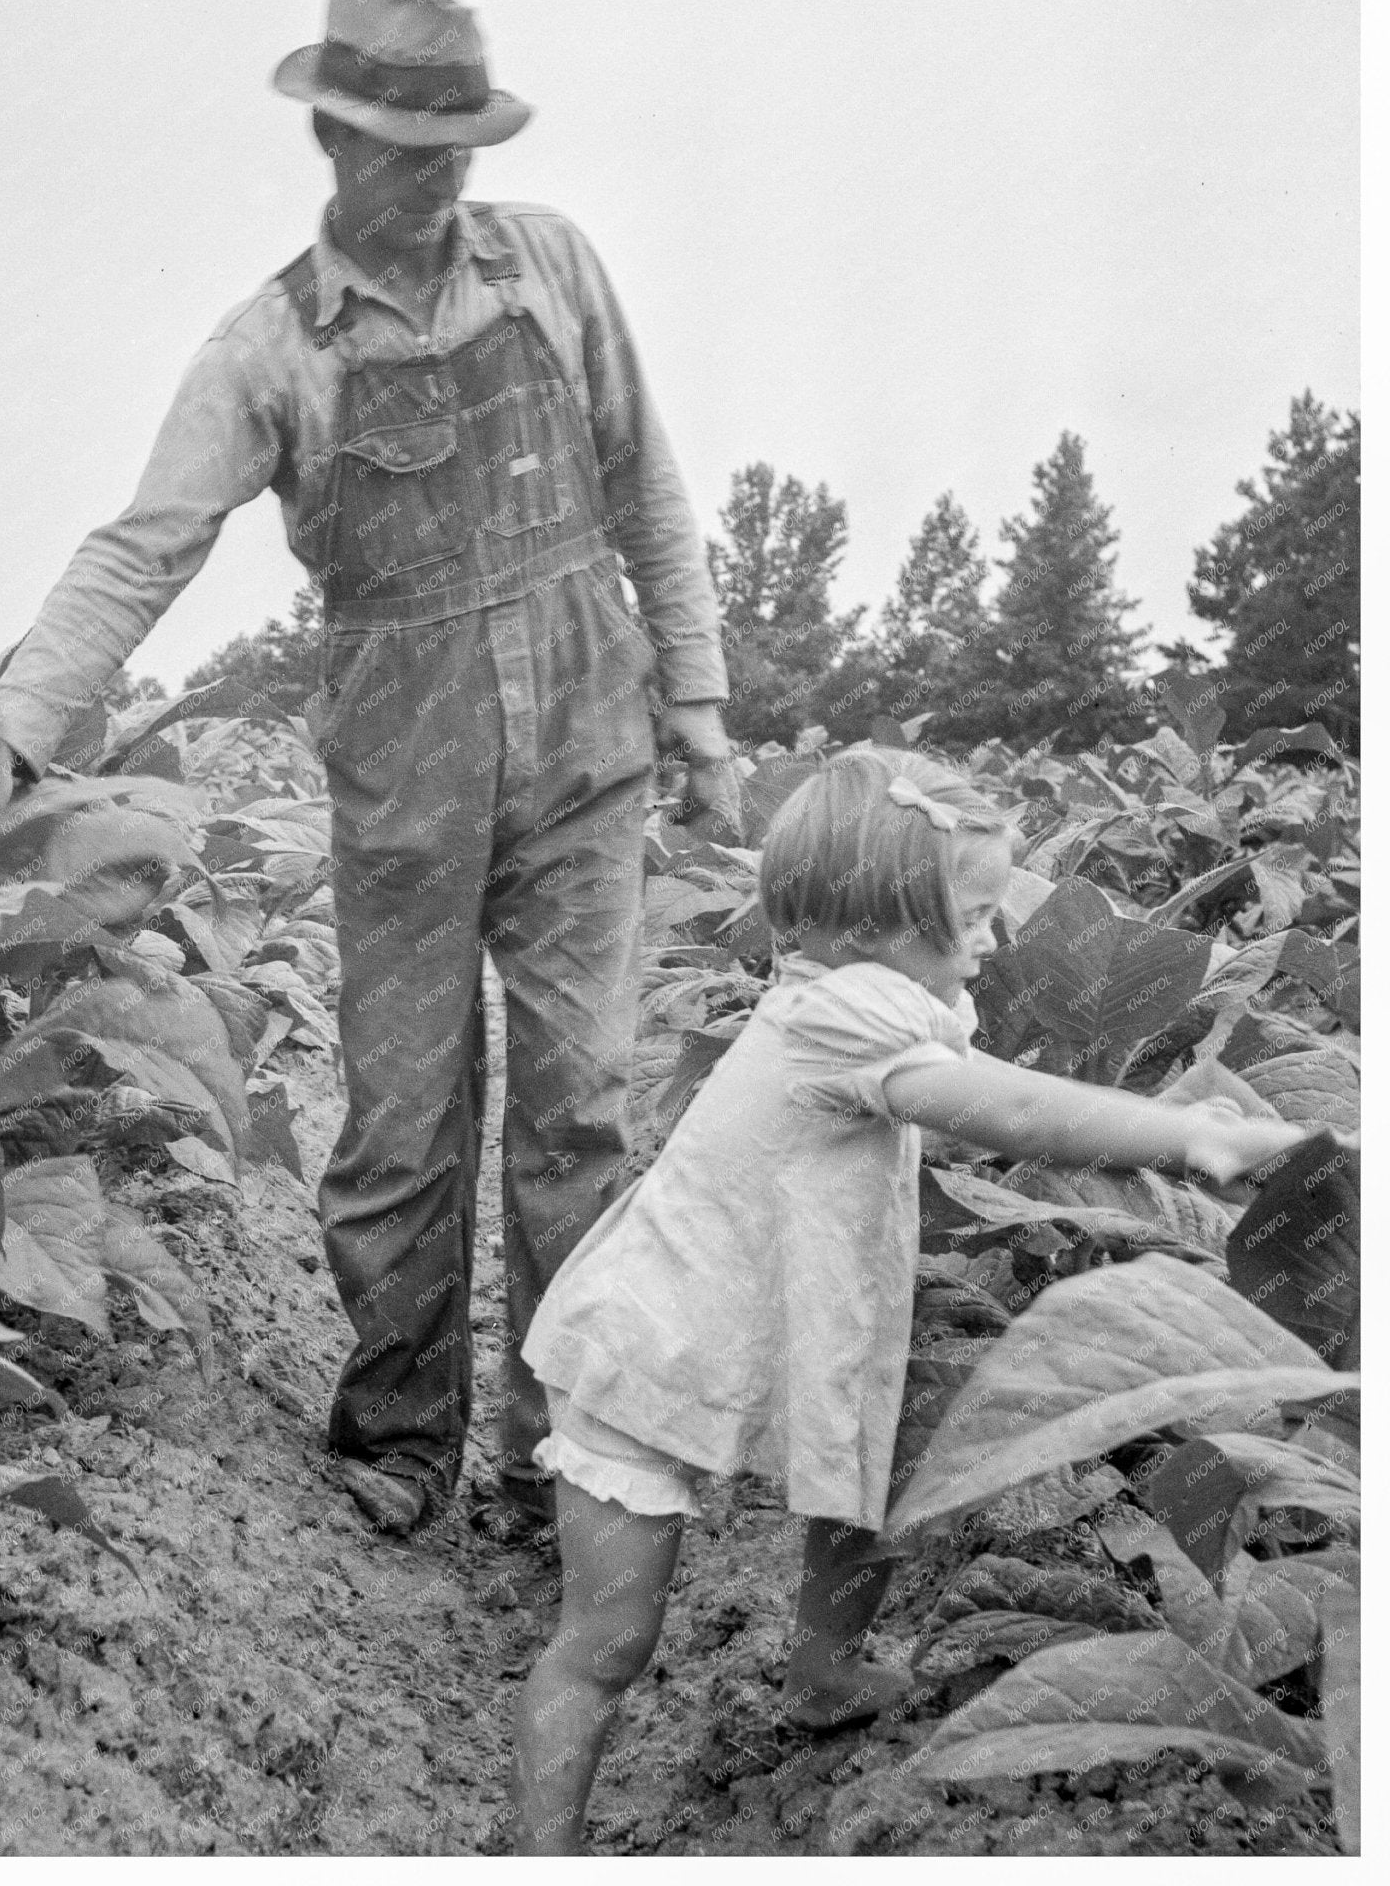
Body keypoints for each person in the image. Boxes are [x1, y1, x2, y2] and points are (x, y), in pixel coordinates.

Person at [0, 0, 738, 1542]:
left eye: (459, 155)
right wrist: (9, 733)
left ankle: (555, 1458)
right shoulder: (266, 350)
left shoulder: (553, 271)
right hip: (407, 784)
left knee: (579, 1112)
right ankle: (401, 1432)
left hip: (586, 760)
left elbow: (647, 484)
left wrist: (695, 703)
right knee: (398, 1122)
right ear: (336, 147)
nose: (439, 187)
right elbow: (144, 546)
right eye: (409, 157)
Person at [508, 747, 1308, 1853]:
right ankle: (540, 1851)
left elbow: (1001, 1077)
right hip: (648, 1352)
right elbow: (1008, 1111)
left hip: (780, 1328)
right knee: (606, 1639)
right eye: (971, 914)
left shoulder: (884, 992)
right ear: (872, 930)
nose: (996, 937)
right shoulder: (839, 1017)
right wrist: (1199, 1139)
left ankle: (824, 1669)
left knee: (865, 1470)